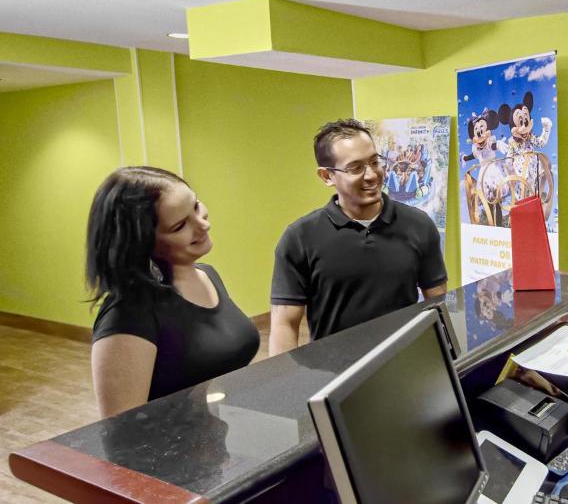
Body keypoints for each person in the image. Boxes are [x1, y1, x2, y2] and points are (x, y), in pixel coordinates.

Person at [86, 167, 259, 418]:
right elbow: (120, 429)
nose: (203, 224)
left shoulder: (208, 275)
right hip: (174, 443)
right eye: (180, 226)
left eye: (196, 207)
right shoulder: (129, 315)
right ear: (142, 243)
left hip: (221, 434)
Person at [268, 119, 448, 355]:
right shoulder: (299, 238)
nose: (372, 175)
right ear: (327, 176)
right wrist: (283, 378)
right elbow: (284, 324)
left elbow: (437, 302)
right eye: (355, 168)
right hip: (333, 370)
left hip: (405, 362)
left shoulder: (419, 225)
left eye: (375, 162)